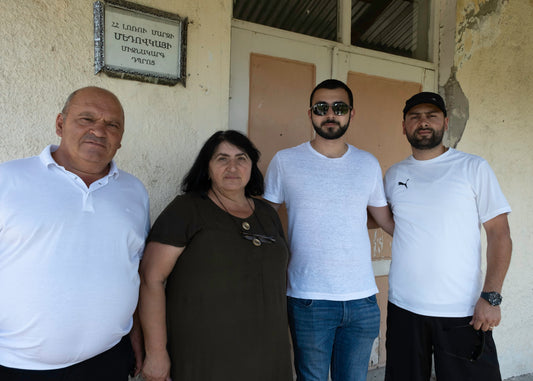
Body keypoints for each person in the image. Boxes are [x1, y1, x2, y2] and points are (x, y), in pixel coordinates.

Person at [0, 86, 150, 381]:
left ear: (120, 139)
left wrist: (136, 335)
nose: (99, 130)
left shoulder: (134, 191)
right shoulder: (8, 180)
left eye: (112, 124)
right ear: (60, 124)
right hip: (17, 364)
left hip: (108, 360)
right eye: (86, 119)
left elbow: (132, 268)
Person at [263, 79, 394, 381]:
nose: (331, 114)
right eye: (322, 108)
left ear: (351, 113)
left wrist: (431, 237)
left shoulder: (367, 163)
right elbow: (263, 218)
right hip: (309, 297)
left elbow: (386, 221)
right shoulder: (286, 161)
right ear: (310, 113)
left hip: (362, 299)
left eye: (340, 107)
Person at [139, 130, 293, 381]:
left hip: (268, 354)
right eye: (222, 158)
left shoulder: (267, 214)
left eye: (241, 158)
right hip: (205, 355)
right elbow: (150, 278)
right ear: (207, 168)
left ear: (252, 166)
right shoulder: (187, 210)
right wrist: (156, 353)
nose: (232, 166)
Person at [383, 92, 512, 381]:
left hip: (462, 311)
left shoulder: (473, 167)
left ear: (445, 122)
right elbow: (393, 223)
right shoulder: (394, 174)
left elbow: (499, 234)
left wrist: (491, 297)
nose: (423, 122)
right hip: (404, 308)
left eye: (432, 115)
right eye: (415, 117)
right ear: (403, 126)